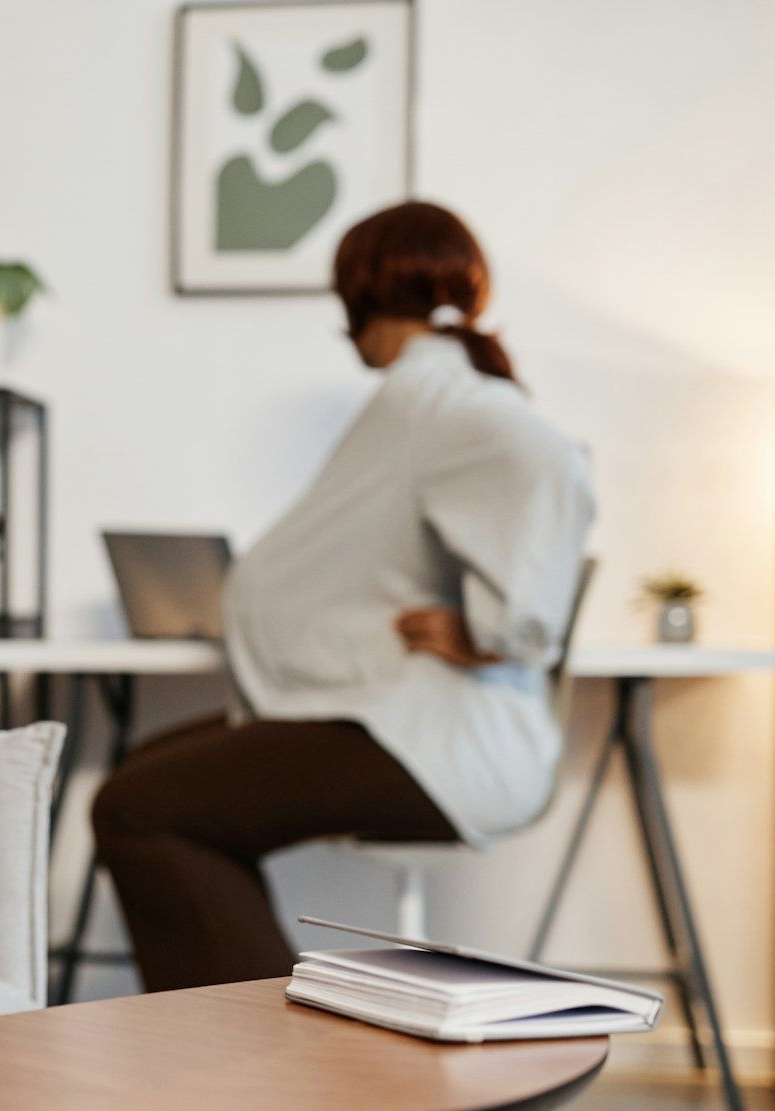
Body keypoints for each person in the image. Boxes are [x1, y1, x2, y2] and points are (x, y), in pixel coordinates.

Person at [91, 200, 595, 993]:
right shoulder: (424, 395)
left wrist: (501, 630)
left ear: (359, 293)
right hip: (394, 714)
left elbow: (547, 461)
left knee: (141, 807)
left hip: (434, 740)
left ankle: (262, 1076)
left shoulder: (446, 398)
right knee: (148, 775)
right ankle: (258, 1051)